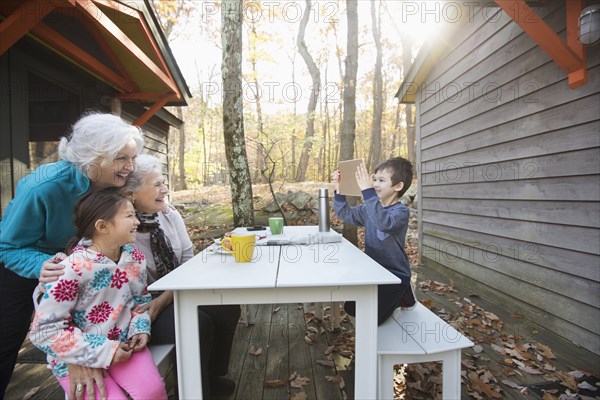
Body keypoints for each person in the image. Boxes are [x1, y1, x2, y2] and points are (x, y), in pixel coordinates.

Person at [40, 154, 241, 398]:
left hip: (156, 301)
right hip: (127, 315)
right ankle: (196, 390)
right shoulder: (108, 242)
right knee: (197, 323)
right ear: (131, 194)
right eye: (156, 184)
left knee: (225, 307)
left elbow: (183, 261)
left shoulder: (157, 225)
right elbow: (49, 319)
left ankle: (209, 379)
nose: (165, 190)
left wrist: (161, 302)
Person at [0, 112, 143, 399]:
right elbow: (8, 247)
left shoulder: (120, 181)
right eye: (120, 159)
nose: (129, 167)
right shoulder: (41, 187)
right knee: (7, 341)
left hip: (85, 267)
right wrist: (49, 265)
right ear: (92, 157)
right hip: (31, 263)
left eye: (132, 158)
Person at [30, 191, 167, 400]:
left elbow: (140, 300)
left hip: (124, 345)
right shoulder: (72, 269)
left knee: (153, 392)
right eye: (129, 216)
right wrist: (105, 352)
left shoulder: (134, 257)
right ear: (102, 227)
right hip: (78, 354)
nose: (137, 221)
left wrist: (140, 328)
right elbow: (43, 332)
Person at [332, 157, 416, 325]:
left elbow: (383, 222)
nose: (375, 184)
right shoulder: (368, 208)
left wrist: (368, 192)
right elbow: (345, 213)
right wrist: (339, 190)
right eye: (374, 179)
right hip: (373, 272)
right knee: (351, 308)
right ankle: (400, 295)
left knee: (372, 320)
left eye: (381, 180)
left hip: (394, 275)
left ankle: (404, 292)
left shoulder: (400, 212)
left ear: (397, 186)